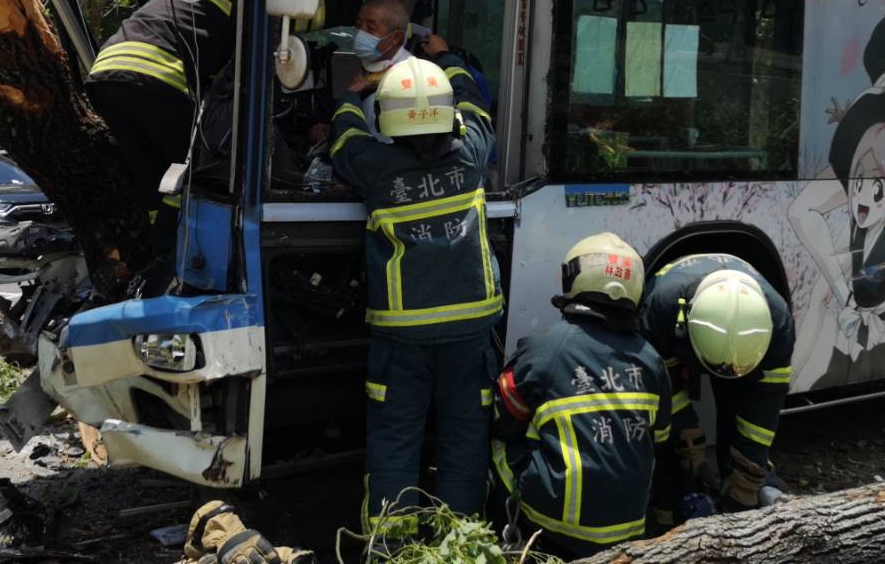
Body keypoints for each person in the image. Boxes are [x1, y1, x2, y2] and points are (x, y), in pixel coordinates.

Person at [329, 38, 499, 543]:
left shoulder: (377, 170)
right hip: (470, 334)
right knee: (466, 442)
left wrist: (351, 92)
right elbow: (473, 103)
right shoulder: (472, 154)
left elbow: (344, 137)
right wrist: (447, 57)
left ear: (387, 120)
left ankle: (392, 549)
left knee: (394, 443)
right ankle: (461, 546)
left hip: (402, 340)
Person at [490, 233, 668, 558]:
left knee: (498, 442)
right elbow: (661, 439)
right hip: (630, 526)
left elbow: (503, 416)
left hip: (557, 526)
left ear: (574, 278)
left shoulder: (545, 347)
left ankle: (507, 531)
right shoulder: (652, 360)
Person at [83, 0, 236, 287]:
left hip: (104, 75)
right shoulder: (238, 1)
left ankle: (140, 258)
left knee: (151, 176)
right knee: (199, 167)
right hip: (153, 75)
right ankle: (168, 258)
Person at [639, 253, 794, 523]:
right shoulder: (659, 308)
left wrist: (747, 477)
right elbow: (666, 390)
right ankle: (665, 517)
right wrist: (690, 447)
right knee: (668, 449)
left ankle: (739, 490)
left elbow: (763, 408)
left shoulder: (778, 323)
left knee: (737, 416)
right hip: (673, 333)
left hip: (734, 349)